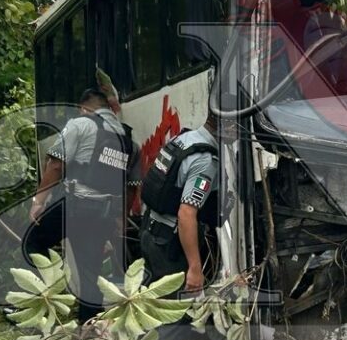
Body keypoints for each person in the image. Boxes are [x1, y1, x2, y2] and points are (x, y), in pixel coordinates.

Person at [26, 86, 137, 321]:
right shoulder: (126, 138)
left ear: (83, 108)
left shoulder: (80, 124)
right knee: (89, 272)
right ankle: (89, 326)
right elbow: (131, 185)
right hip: (104, 212)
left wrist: (39, 201)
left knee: (32, 242)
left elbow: (56, 165)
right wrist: (120, 218)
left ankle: (45, 300)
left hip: (75, 206)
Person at [139, 111, 220, 294]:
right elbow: (186, 214)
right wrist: (195, 268)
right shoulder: (206, 160)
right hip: (169, 245)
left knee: (152, 302)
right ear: (229, 127)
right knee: (173, 308)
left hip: (149, 231)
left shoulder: (183, 139)